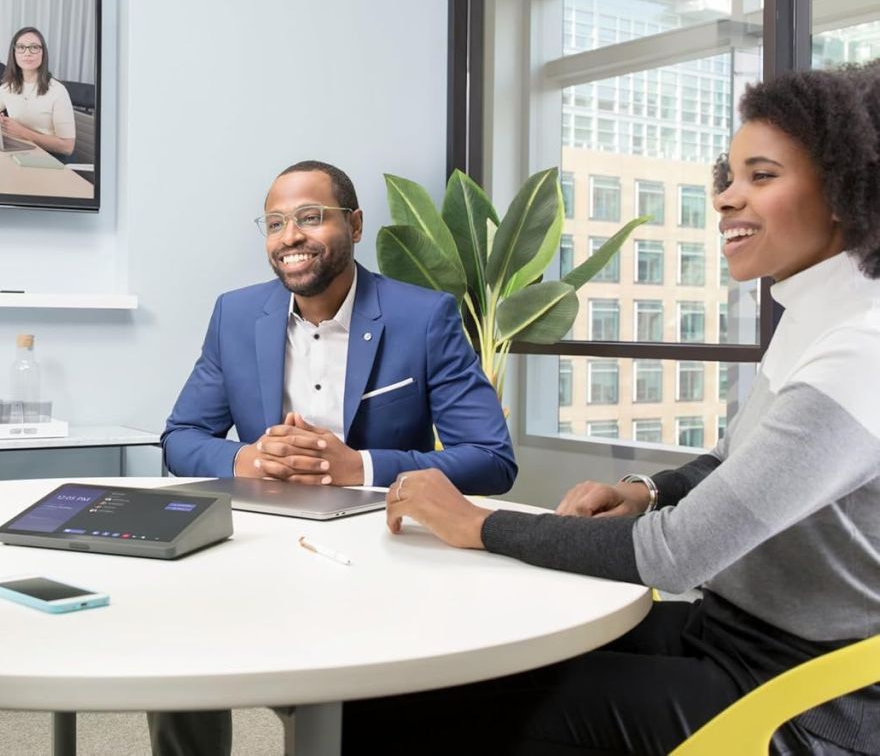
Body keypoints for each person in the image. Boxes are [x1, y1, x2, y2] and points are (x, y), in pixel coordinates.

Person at [357, 65, 880, 755]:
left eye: (762, 175)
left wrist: (473, 521)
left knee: (418, 717)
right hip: (729, 631)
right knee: (446, 674)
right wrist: (644, 489)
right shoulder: (817, 311)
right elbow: (730, 460)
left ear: (847, 189)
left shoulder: (860, 350)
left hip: (796, 690)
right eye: (729, 175)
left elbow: (675, 552)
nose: (726, 198)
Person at [152, 160, 516, 756]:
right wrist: (248, 459)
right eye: (275, 223)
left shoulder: (423, 317)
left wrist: (360, 469)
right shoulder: (236, 315)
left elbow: (492, 458)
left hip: (377, 544)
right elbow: (181, 437)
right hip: (257, 538)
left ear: (355, 224)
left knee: (344, 702)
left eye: (309, 218)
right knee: (176, 645)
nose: (289, 236)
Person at [0, 26, 76, 158]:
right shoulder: (8, 86)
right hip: (22, 151)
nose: (27, 53)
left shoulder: (57, 91)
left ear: (43, 53)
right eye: (21, 47)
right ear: (14, 53)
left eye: (34, 47)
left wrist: (22, 132)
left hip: (51, 158)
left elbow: (67, 147)